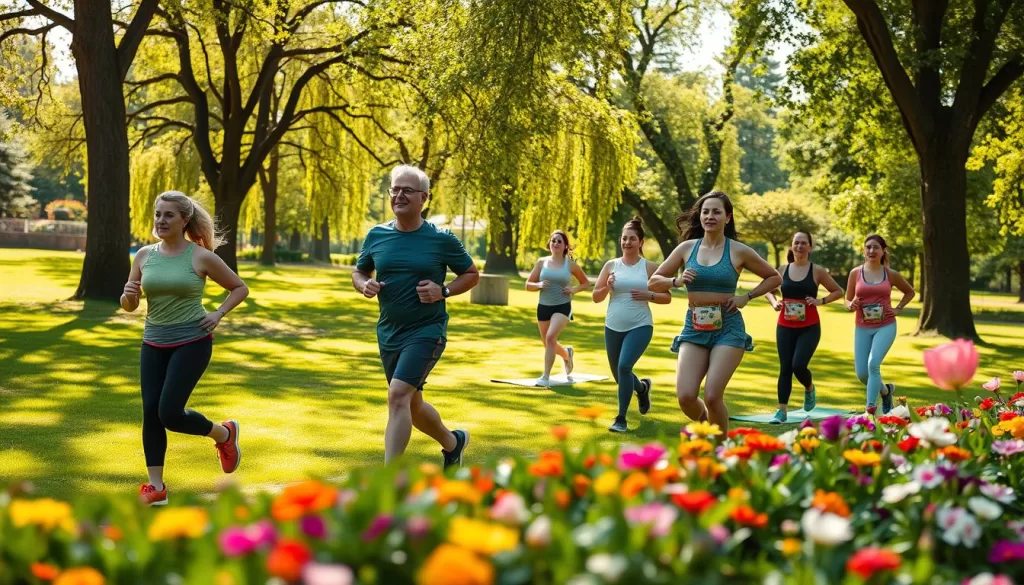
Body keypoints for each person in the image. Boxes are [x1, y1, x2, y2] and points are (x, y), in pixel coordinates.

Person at [120, 191, 249, 506]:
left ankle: (223, 434)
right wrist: (128, 294)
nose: (161, 221)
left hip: (192, 341)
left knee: (169, 413)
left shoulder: (200, 256)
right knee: (151, 412)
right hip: (153, 341)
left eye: (168, 215)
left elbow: (239, 287)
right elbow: (129, 305)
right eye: (158, 214)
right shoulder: (144, 256)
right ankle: (156, 487)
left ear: (184, 220)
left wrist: (218, 313)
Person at [353, 165, 480, 468]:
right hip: (389, 332)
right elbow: (359, 271)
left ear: (424, 197)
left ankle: (388, 479)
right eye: (394, 189)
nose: (399, 195)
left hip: (427, 330)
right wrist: (364, 284)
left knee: (397, 396)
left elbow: (472, 274)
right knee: (412, 404)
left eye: (407, 190)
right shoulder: (377, 235)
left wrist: (444, 291)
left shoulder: (441, 238)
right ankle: (453, 443)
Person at [649, 191, 782, 432]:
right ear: (700, 216)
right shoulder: (687, 248)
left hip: (728, 328)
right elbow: (654, 281)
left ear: (727, 217)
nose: (710, 216)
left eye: (716, 211)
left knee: (712, 396)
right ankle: (707, 430)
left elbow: (774, 277)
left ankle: (720, 451)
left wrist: (747, 296)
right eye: (705, 211)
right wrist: (676, 282)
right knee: (686, 396)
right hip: (694, 326)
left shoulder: (738, 250)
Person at [592, 217, 671, 432]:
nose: (627, 242)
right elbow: (596, 297)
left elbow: (667, 297)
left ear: (640, 242)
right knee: (620, 375)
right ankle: (642, 388)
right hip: (612, 326)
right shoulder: (611, 265)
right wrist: (607, 287)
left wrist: (649, 294)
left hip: (640, 325)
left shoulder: (649, 268)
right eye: (624, 238)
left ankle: (621, 419)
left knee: (624, 366)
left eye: (632, 239)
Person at [763, 231, 844, 423]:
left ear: (810, 247)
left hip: (809, 327)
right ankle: (781, 411)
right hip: (785, 325)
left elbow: (838, 291)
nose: (799, 246)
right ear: (792, 246)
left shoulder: (817, 271)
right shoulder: (782, 270)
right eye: (796, 243)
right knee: (785, 368)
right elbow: (767, 290)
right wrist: (774, 302)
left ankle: (809, 388)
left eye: (803, 243)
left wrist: (820, 300)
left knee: (798, 365)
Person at [844, 234, 915, 415]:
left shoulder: (890, 274)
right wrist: (850, 305)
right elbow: (847, 298)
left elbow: (909, 292)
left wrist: (898, 308)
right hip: (862, 327)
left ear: (883, 251)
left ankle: (870, 409)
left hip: (885, 326)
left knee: (873, 365)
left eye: (876, 247)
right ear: (863, 250)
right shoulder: (855, 273)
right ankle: (886, 391)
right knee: (862, 374)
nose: (871, 251)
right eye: (868, 247)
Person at [525, 230, 591, 386]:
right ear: (550, 243)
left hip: (562, 306)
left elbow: (586, 282)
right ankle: (567, 354)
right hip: (543, 307)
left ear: (565, 246)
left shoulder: (570, 264)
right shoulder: (541, 262)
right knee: (548, 343)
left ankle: (545, 377)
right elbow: (528, 285)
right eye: (553, 241)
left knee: (550, 337)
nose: (555, 244)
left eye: (559, 241)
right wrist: (539, 285)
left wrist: (573, 290)